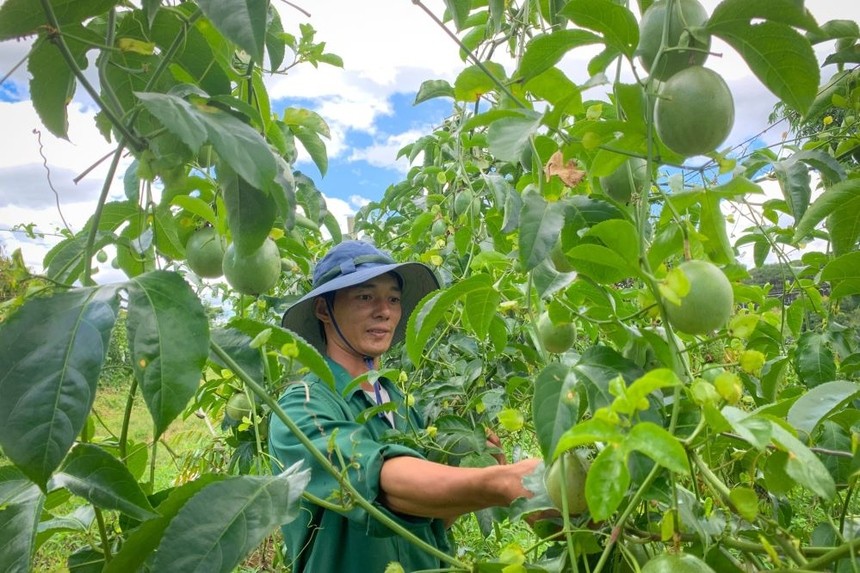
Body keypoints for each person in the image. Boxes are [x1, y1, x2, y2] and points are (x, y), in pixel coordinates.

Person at [269, 240, 540, 572]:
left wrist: (474, 474)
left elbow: (430, 521)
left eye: (393, 299)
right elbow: (376, 481)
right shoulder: (303, 406)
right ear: (324, 310)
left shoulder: (401, 404)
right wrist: (501, 482)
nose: (384, 310)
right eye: (365, 296)